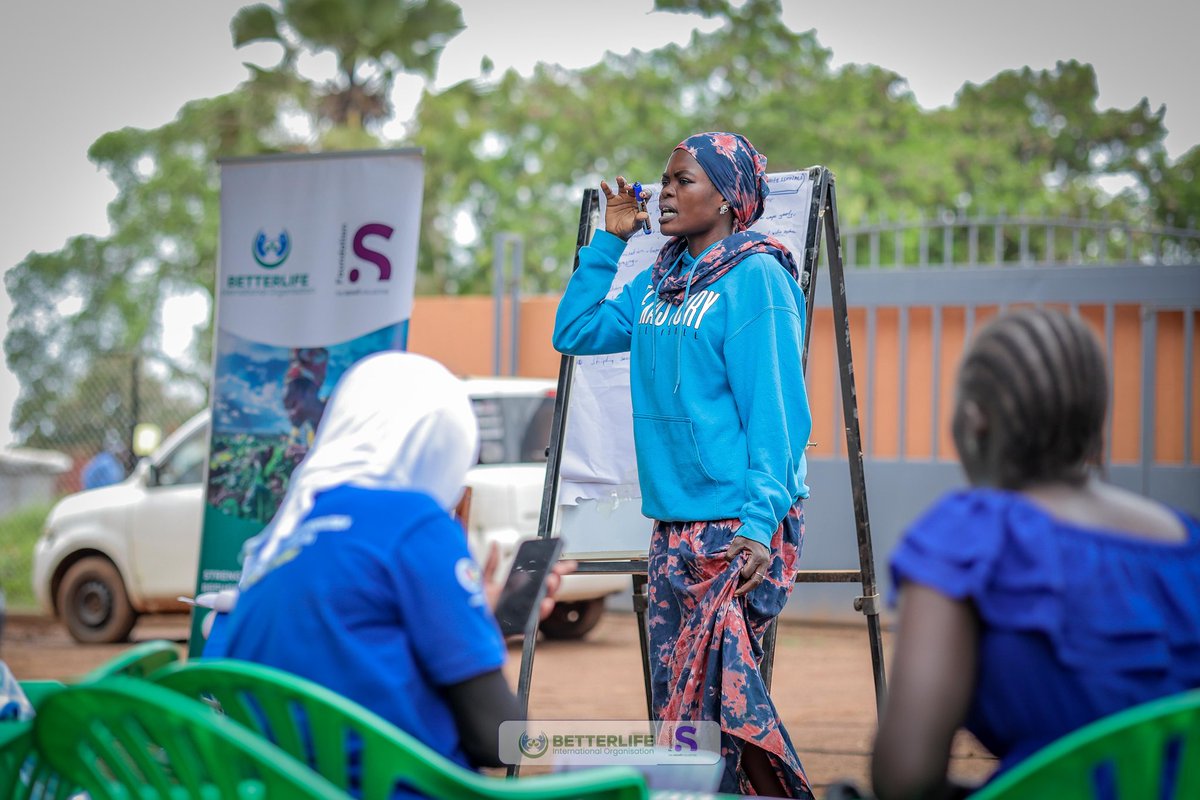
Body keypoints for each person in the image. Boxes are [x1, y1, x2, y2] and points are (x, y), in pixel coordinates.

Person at [553, 132, 814, 798]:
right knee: (682, 713)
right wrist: (610, 242)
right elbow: (574, 332)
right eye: (664, 181)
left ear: (730, 198)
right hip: (672, 528)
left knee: (727, 712)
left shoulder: (758, 277)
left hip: (734, 533)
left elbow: (777, 415)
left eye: (683, 181)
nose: (665, 193)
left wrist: (759, 525)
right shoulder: (656, 281)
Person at [871, 308, 1200, 799]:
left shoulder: (971, 534)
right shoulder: (1184, 546)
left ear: (975, 422)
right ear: (1093, 421)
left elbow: (904, 778)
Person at [205, 352, 569, 779]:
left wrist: (478, 619)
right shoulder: (413, 522)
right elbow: (498, 740)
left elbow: (355, 639)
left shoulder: (273, 544)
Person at [282, 346, 329, 461]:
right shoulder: (302, 431)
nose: (290, 414)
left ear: (310, 392)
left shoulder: (338, 416)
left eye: (293, 404)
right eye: (287, 409)